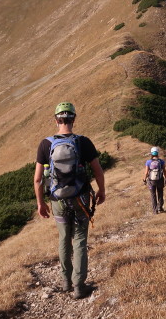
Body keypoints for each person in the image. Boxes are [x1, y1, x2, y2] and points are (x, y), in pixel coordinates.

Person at [33, 102, 106, 300]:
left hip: (58, 200)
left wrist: (41, 203)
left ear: (56, 120)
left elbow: (38, 179)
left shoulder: (45, 144)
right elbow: (98, 170)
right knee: (80, 239)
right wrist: (102, 191)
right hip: (81, 198)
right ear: (73, 119)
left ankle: (65, 281)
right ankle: (79, 286)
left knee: (64, 239)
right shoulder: (83, 142)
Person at [143, 146, 166, 214]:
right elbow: (164, 171)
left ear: (151, 153)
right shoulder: (161, 161)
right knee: (160, 194)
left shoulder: (148, 162)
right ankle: (160, 208)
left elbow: (146, 172)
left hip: (151, 181)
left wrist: (144, 180)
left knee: (153, 195)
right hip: (160, 180)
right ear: (158, 153)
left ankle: (155, 211)